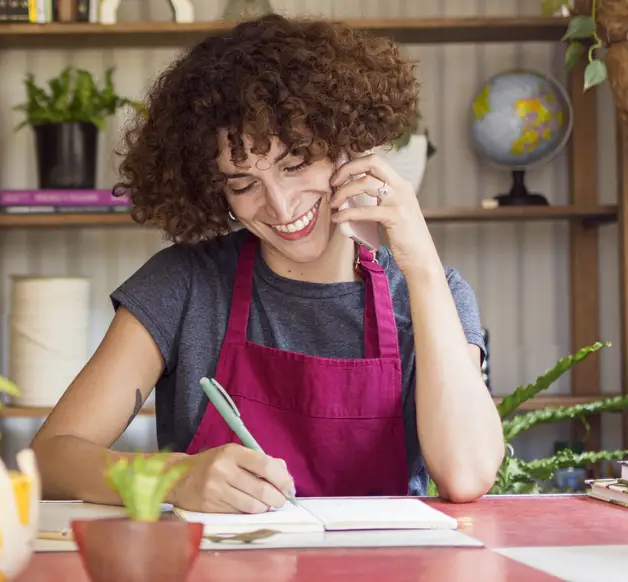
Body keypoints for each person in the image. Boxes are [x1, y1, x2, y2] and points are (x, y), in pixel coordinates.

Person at [28, 14, 505, 515]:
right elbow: (48, 461)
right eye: (243, 184)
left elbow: (466, 473)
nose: (279, 206)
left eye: (296, 165)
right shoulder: (184, 286)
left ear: (348, 145)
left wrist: (422, 265)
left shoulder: (429, 292)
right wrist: (171, 477)